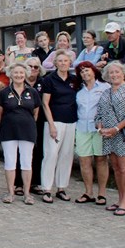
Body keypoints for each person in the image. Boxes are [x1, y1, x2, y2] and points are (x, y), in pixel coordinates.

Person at [96, 62, 125, 216]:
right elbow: (99, 113)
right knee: (116, 168)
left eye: (117, 72)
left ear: (123, 73)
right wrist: (100, 127)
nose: (114, 75)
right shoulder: (105, 92)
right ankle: (119, 199)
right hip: (109, 136)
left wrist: (116, 129)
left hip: (123, 135)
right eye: (111, 73)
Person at [0, 63, 41, 205]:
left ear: (25, 74)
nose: (19, 75)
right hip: (8, 131)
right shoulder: (4, 93)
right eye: (15, 73)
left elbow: (35, 113)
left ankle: (27, 193)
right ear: (10, 74)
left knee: (27, 162)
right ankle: (10, 192)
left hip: (27, 131)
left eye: (21, 73)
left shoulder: (32, 92)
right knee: (10, 162)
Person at [40, 49, 79, 204]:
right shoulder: (49, 80)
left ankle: (61, 188)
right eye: (60, 61)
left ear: (70, 62)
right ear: (55, 63)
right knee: (51, 154)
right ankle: (46, 188)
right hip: (55, 121)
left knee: (66, 155)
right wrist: (51, 124)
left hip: (71, 121)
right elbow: (45, 103)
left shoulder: (74, 80)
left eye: (66, 61)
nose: (63, 63)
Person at [74, 61, 110, 206]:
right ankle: (88, 192)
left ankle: (102, 193)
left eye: (87, 70)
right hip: (82, 127)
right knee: (84, 160)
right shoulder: (79, 90)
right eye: (82, 72)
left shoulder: (105, 87)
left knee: (101, 160)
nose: (85, 74)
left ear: (94, 71)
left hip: (99, 129)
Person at [22, 57, 47, 195]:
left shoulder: (44, 83)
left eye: (36, 67)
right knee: (22, 153)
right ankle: (19, 183)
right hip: (22, 122)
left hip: (39, 122)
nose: (33, 69)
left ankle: (36, 182)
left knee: (38, 152)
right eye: (30, 66)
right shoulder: (19, 81)